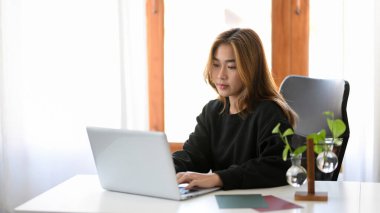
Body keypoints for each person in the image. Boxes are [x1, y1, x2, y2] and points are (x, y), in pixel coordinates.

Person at [172, 28, 298, 190]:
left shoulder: (269, 112)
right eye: (216, 65)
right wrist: (165, 168)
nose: (221, 75)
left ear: (250, 69)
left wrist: (219, 178)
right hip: (223, 202)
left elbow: (277, 166)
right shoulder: (212, 111)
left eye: (231, 67)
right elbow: (194, 156)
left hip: (259, 201)